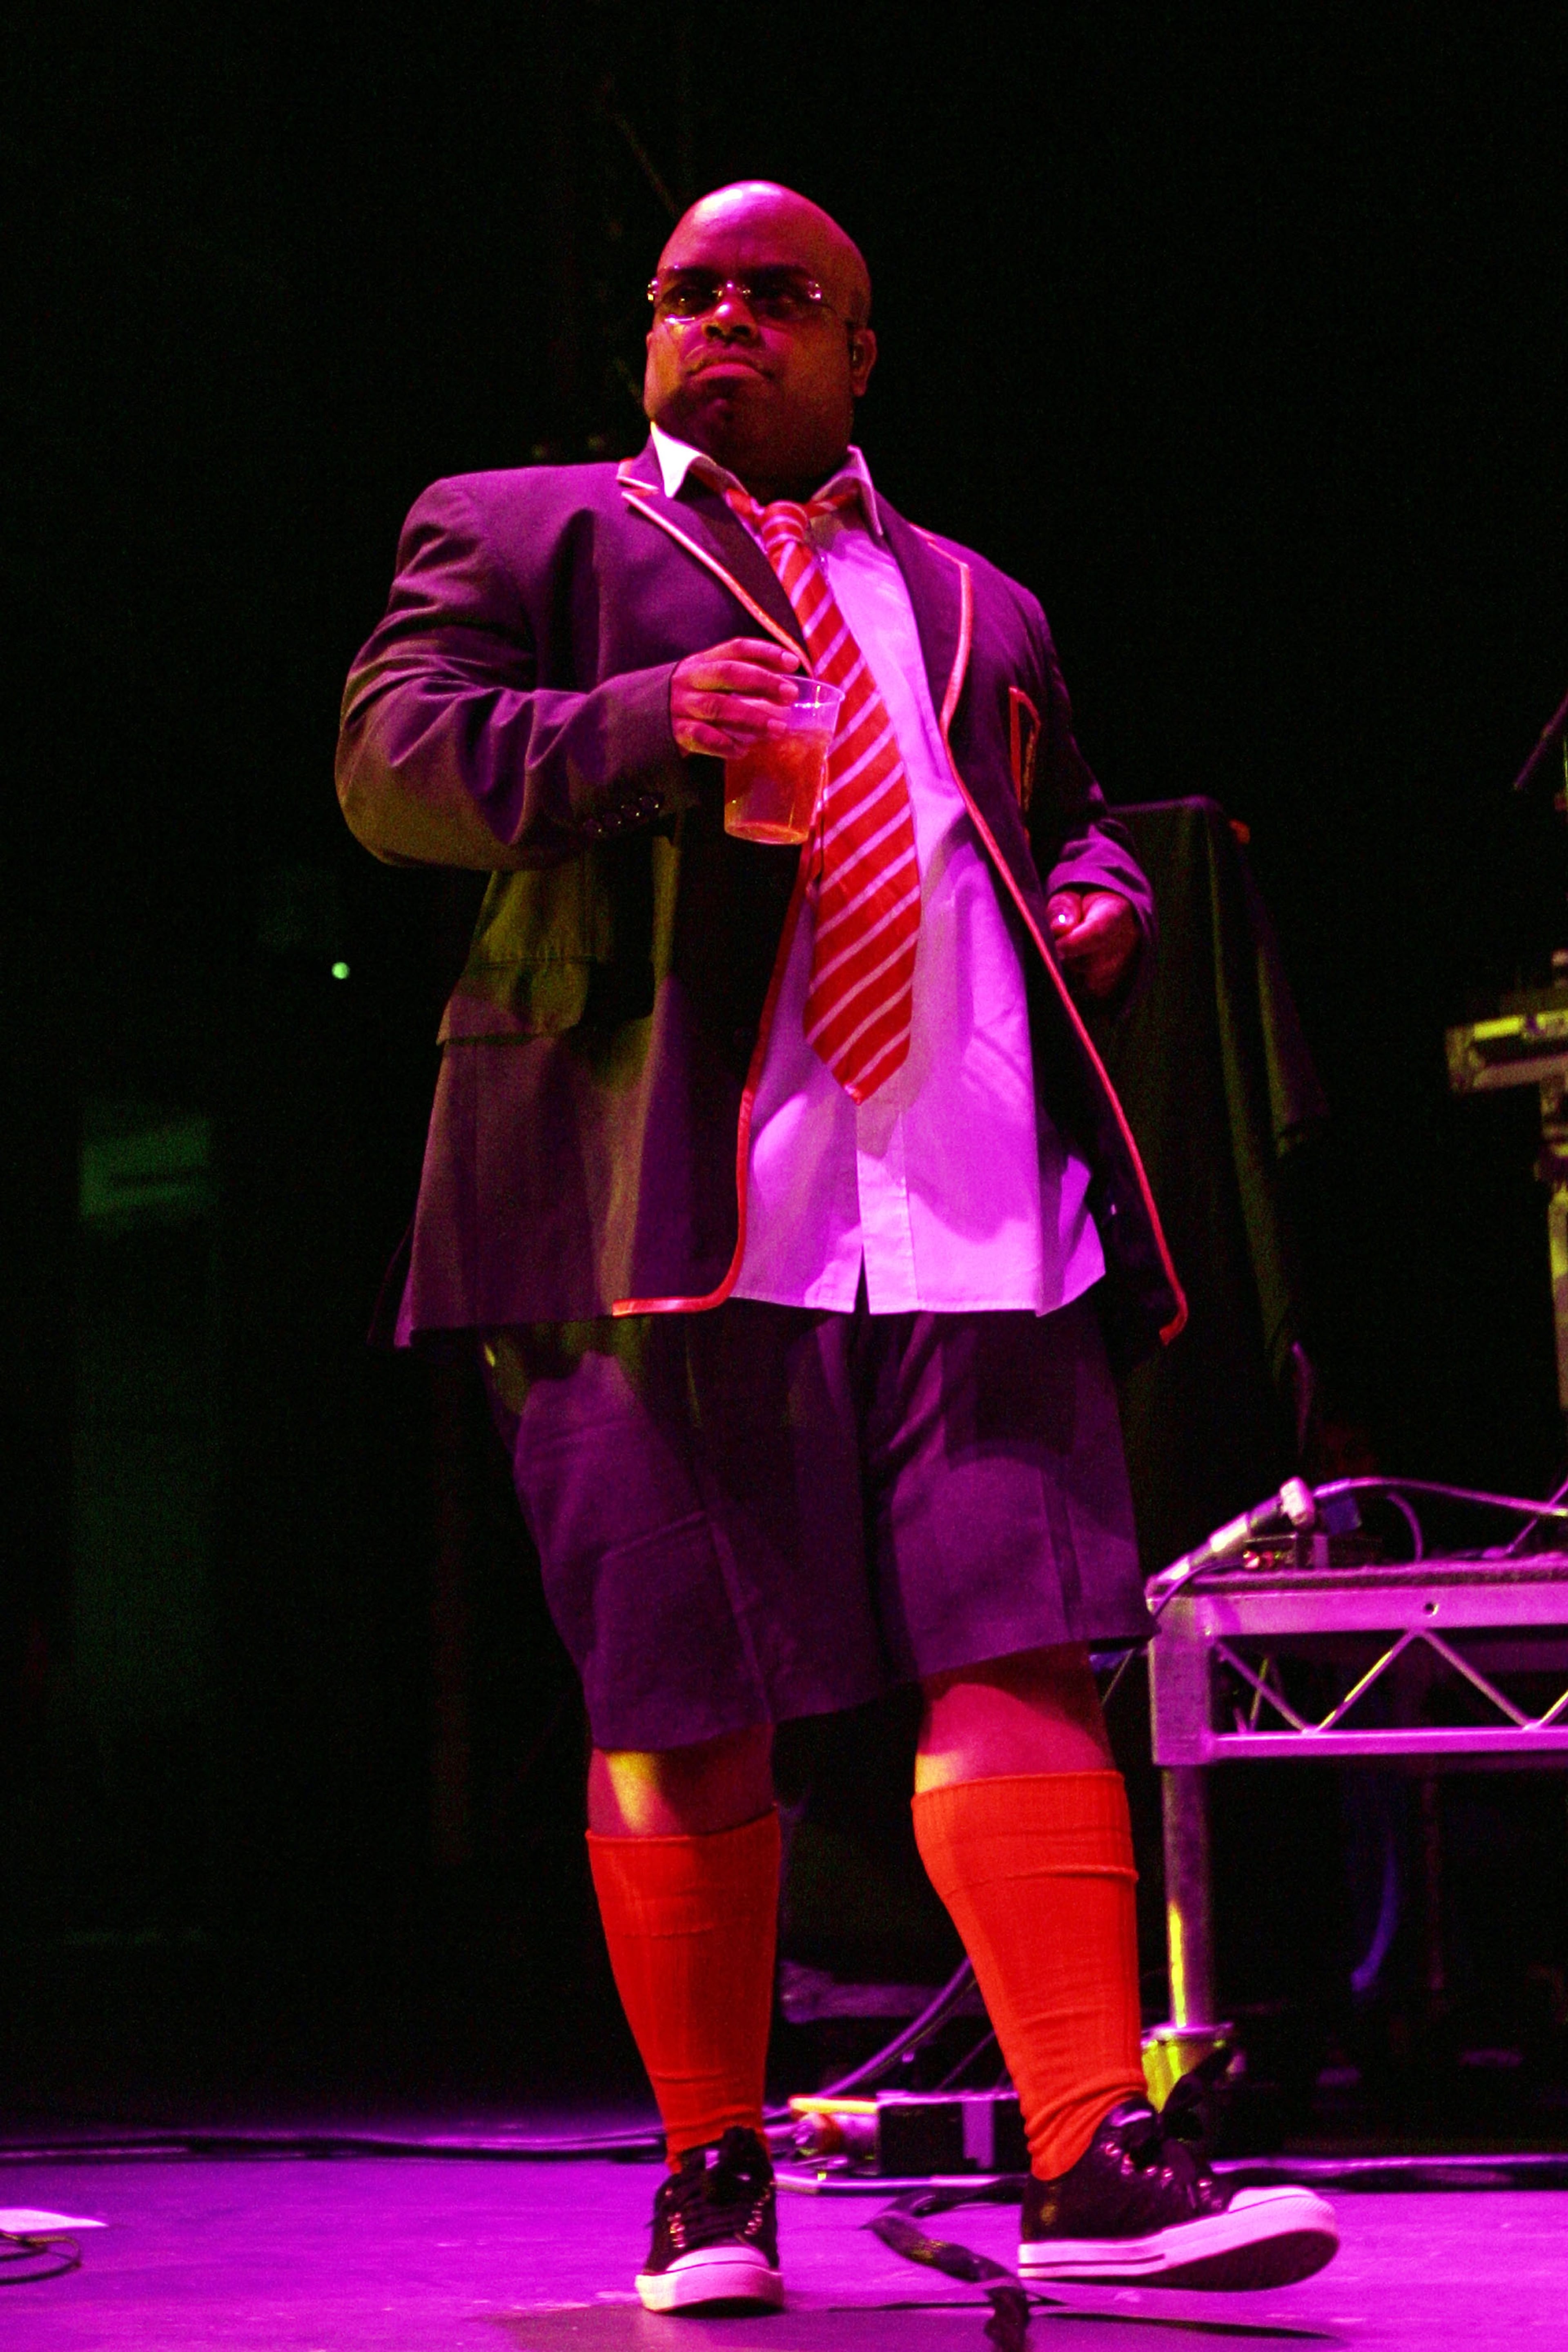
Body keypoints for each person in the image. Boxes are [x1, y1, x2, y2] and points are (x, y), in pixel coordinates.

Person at [337, 181, 1337, 2308]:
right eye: (686, 292)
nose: (722, 320)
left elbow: (1058, 821)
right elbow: (394, 768)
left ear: (859, 351)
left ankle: (1090, 2161)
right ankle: (712, 2173)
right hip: (658, 1203)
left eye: (776, 296)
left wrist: (1107, 903)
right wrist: (643, 727)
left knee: (1026, 1641)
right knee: (682, 1693)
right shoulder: (526, 535)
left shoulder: (982, 599)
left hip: (968, 1184)